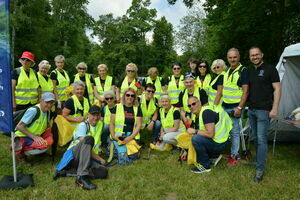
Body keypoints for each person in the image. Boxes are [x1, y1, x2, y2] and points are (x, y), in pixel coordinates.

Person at [54, 105, 108, 190]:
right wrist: (100, 159)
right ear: (88, 115)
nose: (95, 117)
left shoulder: (100, 124)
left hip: (86, 158)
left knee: (103, 172)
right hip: (74, 156)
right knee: (89, 139)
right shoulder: (83, 125)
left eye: (97, 115)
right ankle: (82, 177)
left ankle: (66, 173)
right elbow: (85, 146)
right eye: (93, 115)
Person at [248, 47, 281, 182]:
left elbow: (277, 88)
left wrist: (274, 108)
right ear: (250, 57)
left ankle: (260, 169)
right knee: (255, 138)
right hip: (251, 110)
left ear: (262, 54)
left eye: (257, 55)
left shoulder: (270, 69)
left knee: (261, 139)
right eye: (252, 55)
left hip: (264, 110)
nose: (255, 57)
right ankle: (258, 162)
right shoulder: (250, 72)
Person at [187, 96, 232, 173]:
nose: (191, 107)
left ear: (200, 103)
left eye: (193, 104)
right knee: (196, 138)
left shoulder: (206, 113)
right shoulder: (202, 112)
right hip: (222, 140)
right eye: (189, 105)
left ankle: (205, 166)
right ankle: (213, 156)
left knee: (196, 139)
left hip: (220, 143)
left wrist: (195, 131)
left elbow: (210, 134)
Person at [222, 48, 249, 167]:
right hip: (225, 105)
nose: (232, 59)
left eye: (234, 57)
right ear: (227, 58)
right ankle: (232, 151)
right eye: (230, 57)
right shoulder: (227, 70)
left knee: (235, 132)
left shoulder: (243, 71)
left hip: (235, 107)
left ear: (239, 57)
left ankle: (234, 156)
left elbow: (246, 91)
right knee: (227, 131)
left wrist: (239, 107)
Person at [14, 92, 55, 163]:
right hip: (23, 136)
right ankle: (20, 154)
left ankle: (36, 150)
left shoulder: (48, 111)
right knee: (43, 145)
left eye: (51, 103)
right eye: (47, 102)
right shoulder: (34, 110)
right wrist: (35, 137)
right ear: (40, 101)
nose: (49, 105)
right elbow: (19, 127)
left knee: (49, 138)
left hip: (34, 135)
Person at [110, 88, 142, 164]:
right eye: (128, 95)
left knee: (133, 156)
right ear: (124, 96)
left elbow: (138, 125)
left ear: (134, 98)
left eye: (132, 95)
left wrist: (129, 138)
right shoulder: (117, 107)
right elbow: (111, 123)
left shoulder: (137, 108)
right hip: (118, 136)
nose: (130, 97)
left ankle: (121, 152)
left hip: (131, 136)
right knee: (120, 150)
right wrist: (113, 136)